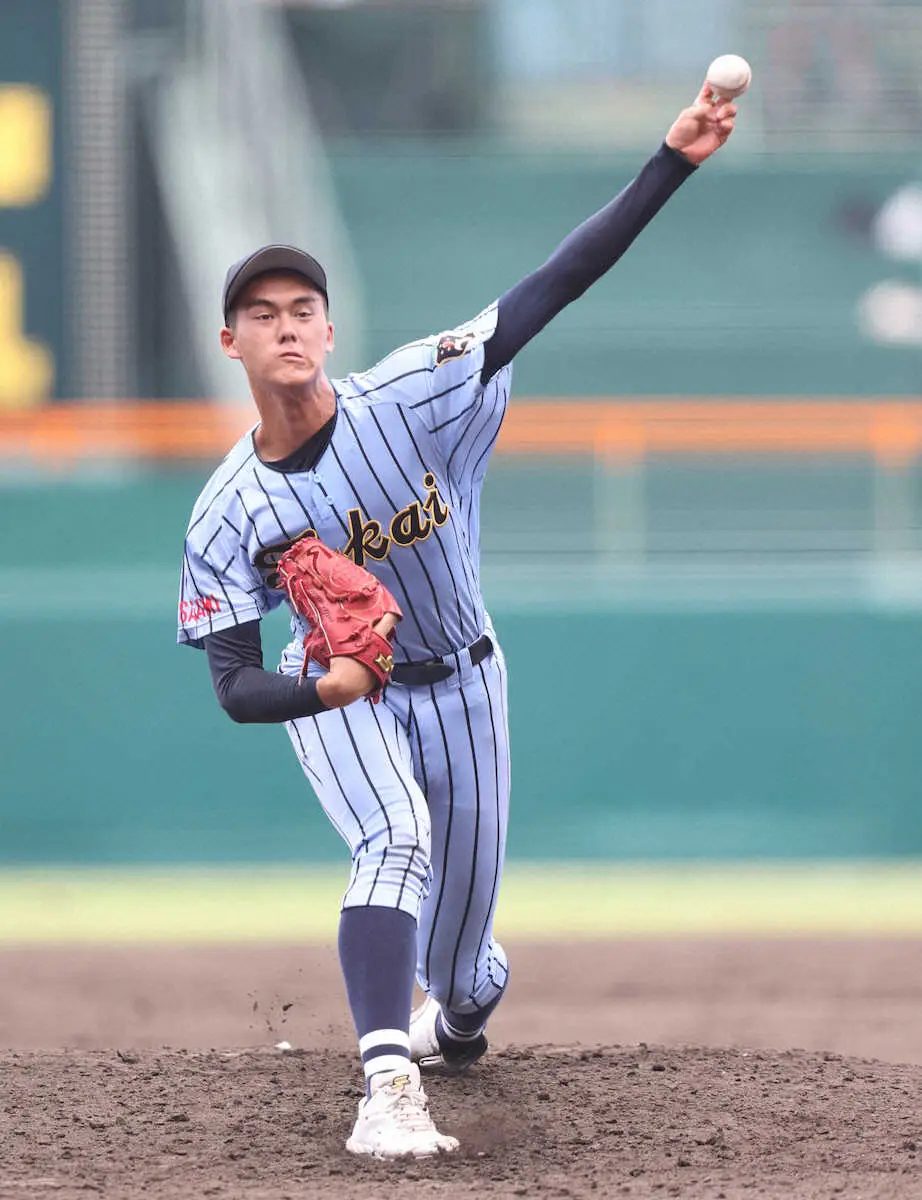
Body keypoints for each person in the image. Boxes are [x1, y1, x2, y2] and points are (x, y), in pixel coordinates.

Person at [177, 81, 738, 1160]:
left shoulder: (413, 394)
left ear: (328, 330)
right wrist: (322, 688)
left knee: (468, 967)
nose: (285, 326)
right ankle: (388, 1084)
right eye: (263, 314)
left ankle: (453, 1024)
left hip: (469, 681)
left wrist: (670, 162)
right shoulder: (226, 510)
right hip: (344, 689)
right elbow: (236, 683)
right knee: (393, 840)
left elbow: (552, 287)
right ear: (230, 342)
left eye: (302, 311)